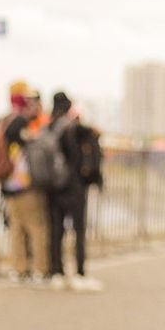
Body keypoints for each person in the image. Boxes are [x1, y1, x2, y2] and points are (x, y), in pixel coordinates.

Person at [0, 82, 50, 284]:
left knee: (16, 228)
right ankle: (40, 270)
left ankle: (19, 269)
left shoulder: (4, 121)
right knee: (37, 226)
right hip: (24, 183)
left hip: (8, 182)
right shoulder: (25, 122)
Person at [45, 91, 104, 293]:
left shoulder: (48, 127)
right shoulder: (73, 128)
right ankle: (79, 273)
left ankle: (56, 272)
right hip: (74, 187)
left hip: (52, 187)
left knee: (56, 231)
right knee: (78, 230)